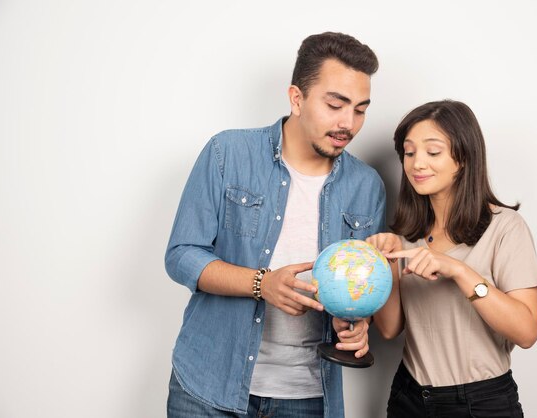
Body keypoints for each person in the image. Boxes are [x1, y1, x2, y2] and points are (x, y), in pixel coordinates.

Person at [164, 32, 386, 418]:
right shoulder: (227, 153)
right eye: (335, 105)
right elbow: (182, 256)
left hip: (306, 397)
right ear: (296, 98)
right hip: (208, 385)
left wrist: (357, 324)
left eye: (360, 109)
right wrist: (261, 283)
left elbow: (359, 283)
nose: (348, 123)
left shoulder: (367, 187)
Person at [366, 100, 537, 418]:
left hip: (480, 403)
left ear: (463, 158)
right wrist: (388, 264)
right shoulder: (406, 234)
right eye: (409, 152)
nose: (417, 164)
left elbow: (527, 331)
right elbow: (391, 328)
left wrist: (459, 271)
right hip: (408, 397)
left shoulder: (505, 227)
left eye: (432, 152)